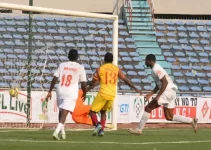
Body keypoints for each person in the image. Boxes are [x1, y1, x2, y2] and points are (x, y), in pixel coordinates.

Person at [127, 54, 198, 135]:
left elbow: (165, 82)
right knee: (169, 117)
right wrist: (151, 93)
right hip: (172, 92)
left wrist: (158, 96)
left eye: (146, 60)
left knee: (148, 108)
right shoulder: (155, 68)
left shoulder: (156, 69)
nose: (145, 62)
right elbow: (159, 85)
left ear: (149, 61)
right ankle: (192, 120)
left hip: (167, 92)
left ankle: (139, 129)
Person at [87, 52, 142, 136]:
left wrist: (87, 84)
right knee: (103, 112)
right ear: (112, 60)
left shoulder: (100, 69)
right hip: (112, 94)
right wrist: (135, 88)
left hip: (103, 93)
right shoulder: (117, 69)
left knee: (92, 112)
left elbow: (93, 82)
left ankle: (98, 125)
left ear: (104, 59)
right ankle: (101, 131)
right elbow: (125, 79)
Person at [45, 49, 87, 140]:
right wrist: (85, 93)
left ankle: (63, 133)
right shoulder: (80, 67)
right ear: (77, 57)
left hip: (60, 90)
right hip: (71, 92)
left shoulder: (62, 65)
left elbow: (55, 78)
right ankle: (56, 132)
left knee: (61, 111)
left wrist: (50, 91)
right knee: (64, 113)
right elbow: (83, 83)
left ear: (68, 56)